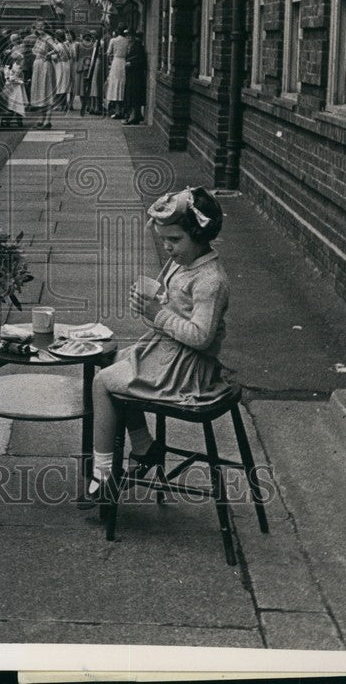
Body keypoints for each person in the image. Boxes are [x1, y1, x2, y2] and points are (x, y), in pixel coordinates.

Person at [81, 187, 230, 505]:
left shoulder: (210, 280)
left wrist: (158, 314)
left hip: (189, 368)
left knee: (102, 382)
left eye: (174, 240)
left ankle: (104, 474)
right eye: (164, 239)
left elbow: (201, 337)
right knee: (111, 361)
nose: (167, 247)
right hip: (169, 352)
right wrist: (153, 307)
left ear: (200, 235)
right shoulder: (181, 264)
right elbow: (175, 315)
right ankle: (144, 445)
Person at [30, 21, 57, 129]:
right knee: (40, 92)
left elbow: (57, 48)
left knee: (46, 92)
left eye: (41, 27)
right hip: (38, 66)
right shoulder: (39, 39)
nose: (39, 28)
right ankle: (42, 120)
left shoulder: (48, 38)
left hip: (45, 66)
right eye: (37, 27)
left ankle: (47, 121)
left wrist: (48, 54)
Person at [123, 31, 148, 125]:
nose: (128, 38)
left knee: (134, 96)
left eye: (130, 36)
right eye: (127, 36)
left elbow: (142, 61)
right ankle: (135, 115)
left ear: (134, 37)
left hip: (136, 75)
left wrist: (131, 63)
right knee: (130, 95)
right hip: (131, 74)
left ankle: (133, 117)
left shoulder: (138, 46)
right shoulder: (130, 46)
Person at [105, 28, 130, 119]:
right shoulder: (127, 41)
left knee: (114, 85)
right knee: (122, 85)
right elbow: (128, 53)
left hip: (116, 63)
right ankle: (122, 110)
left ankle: (117, 110)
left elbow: (108, 53)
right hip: (123, 63)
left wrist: (110, 62)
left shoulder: (113, 40)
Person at [3, 58, 27, 127]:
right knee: (11, 103)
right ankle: (8, 120)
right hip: (11, 86)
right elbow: (9, 77)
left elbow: (19, 76)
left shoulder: (18, 67)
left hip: (16, 86)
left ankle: (18, 121)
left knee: (17, 102)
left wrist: (18, 79)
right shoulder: (8, 68)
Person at [53, 29, 72, 112]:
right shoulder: (66, 45)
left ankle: (60, 105)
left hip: (60, 66)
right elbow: (70, 55)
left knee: (60, 84)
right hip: (67, 65)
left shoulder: (58, 46)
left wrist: (50, 56)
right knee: (64, 84)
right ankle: (64, 104)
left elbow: (55, 57)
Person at [76, 32, 95, 116]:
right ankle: (89, 105)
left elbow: (76, 56)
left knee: (81, 87)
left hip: (80, 66)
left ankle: (83, 106)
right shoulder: (93, 45)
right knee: (88, 86)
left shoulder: (79, 45)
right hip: (89, 65)